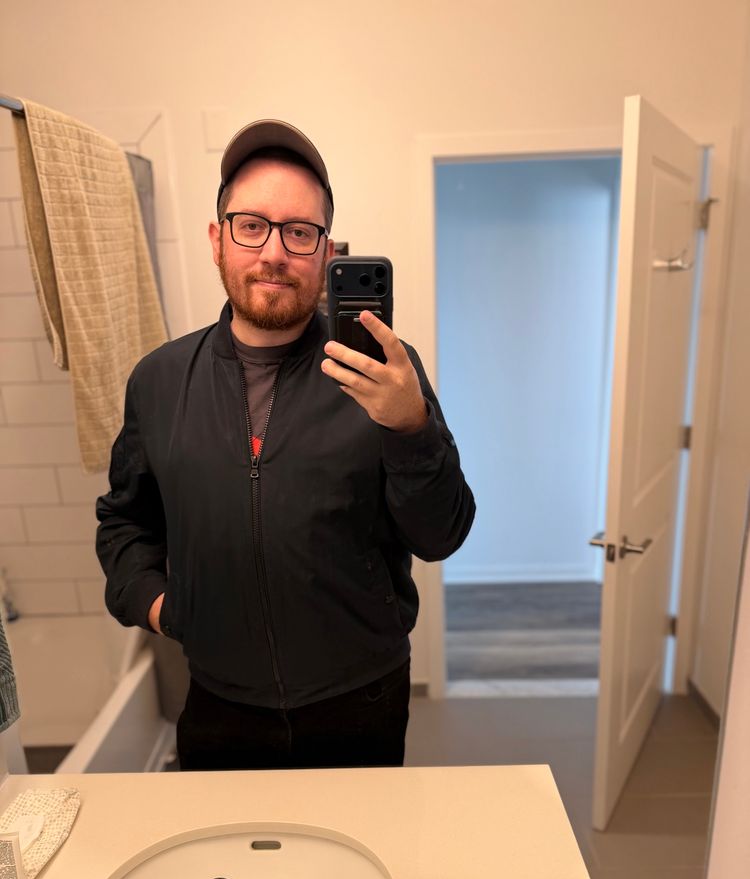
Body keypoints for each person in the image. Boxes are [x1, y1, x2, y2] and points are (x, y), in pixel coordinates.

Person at [96, 119, 475, 771]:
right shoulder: (158, 381)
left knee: (362, 864)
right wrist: (160, 606)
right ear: (218, 240)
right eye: (252, 225)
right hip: (218, 699)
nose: (274, 252)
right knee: (225, 867)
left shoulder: (386, 371)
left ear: (327, 252)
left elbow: (440, 535)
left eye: (299, 232)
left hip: (362, 698)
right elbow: (125, 522)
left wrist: (411, 429)